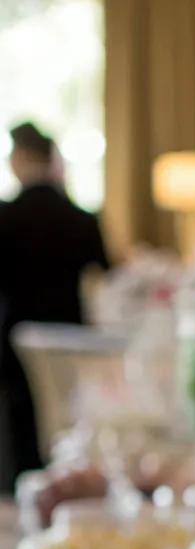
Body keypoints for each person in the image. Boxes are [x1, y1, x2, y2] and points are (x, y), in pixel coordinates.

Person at [0, 122, 112, 491]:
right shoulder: (81, 217)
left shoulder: (6, 217)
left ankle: (24, 490)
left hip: (15, 342)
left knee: (21, 422)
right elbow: (106, 270)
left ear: (19, 159)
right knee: (72, 419)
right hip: (72, 342)